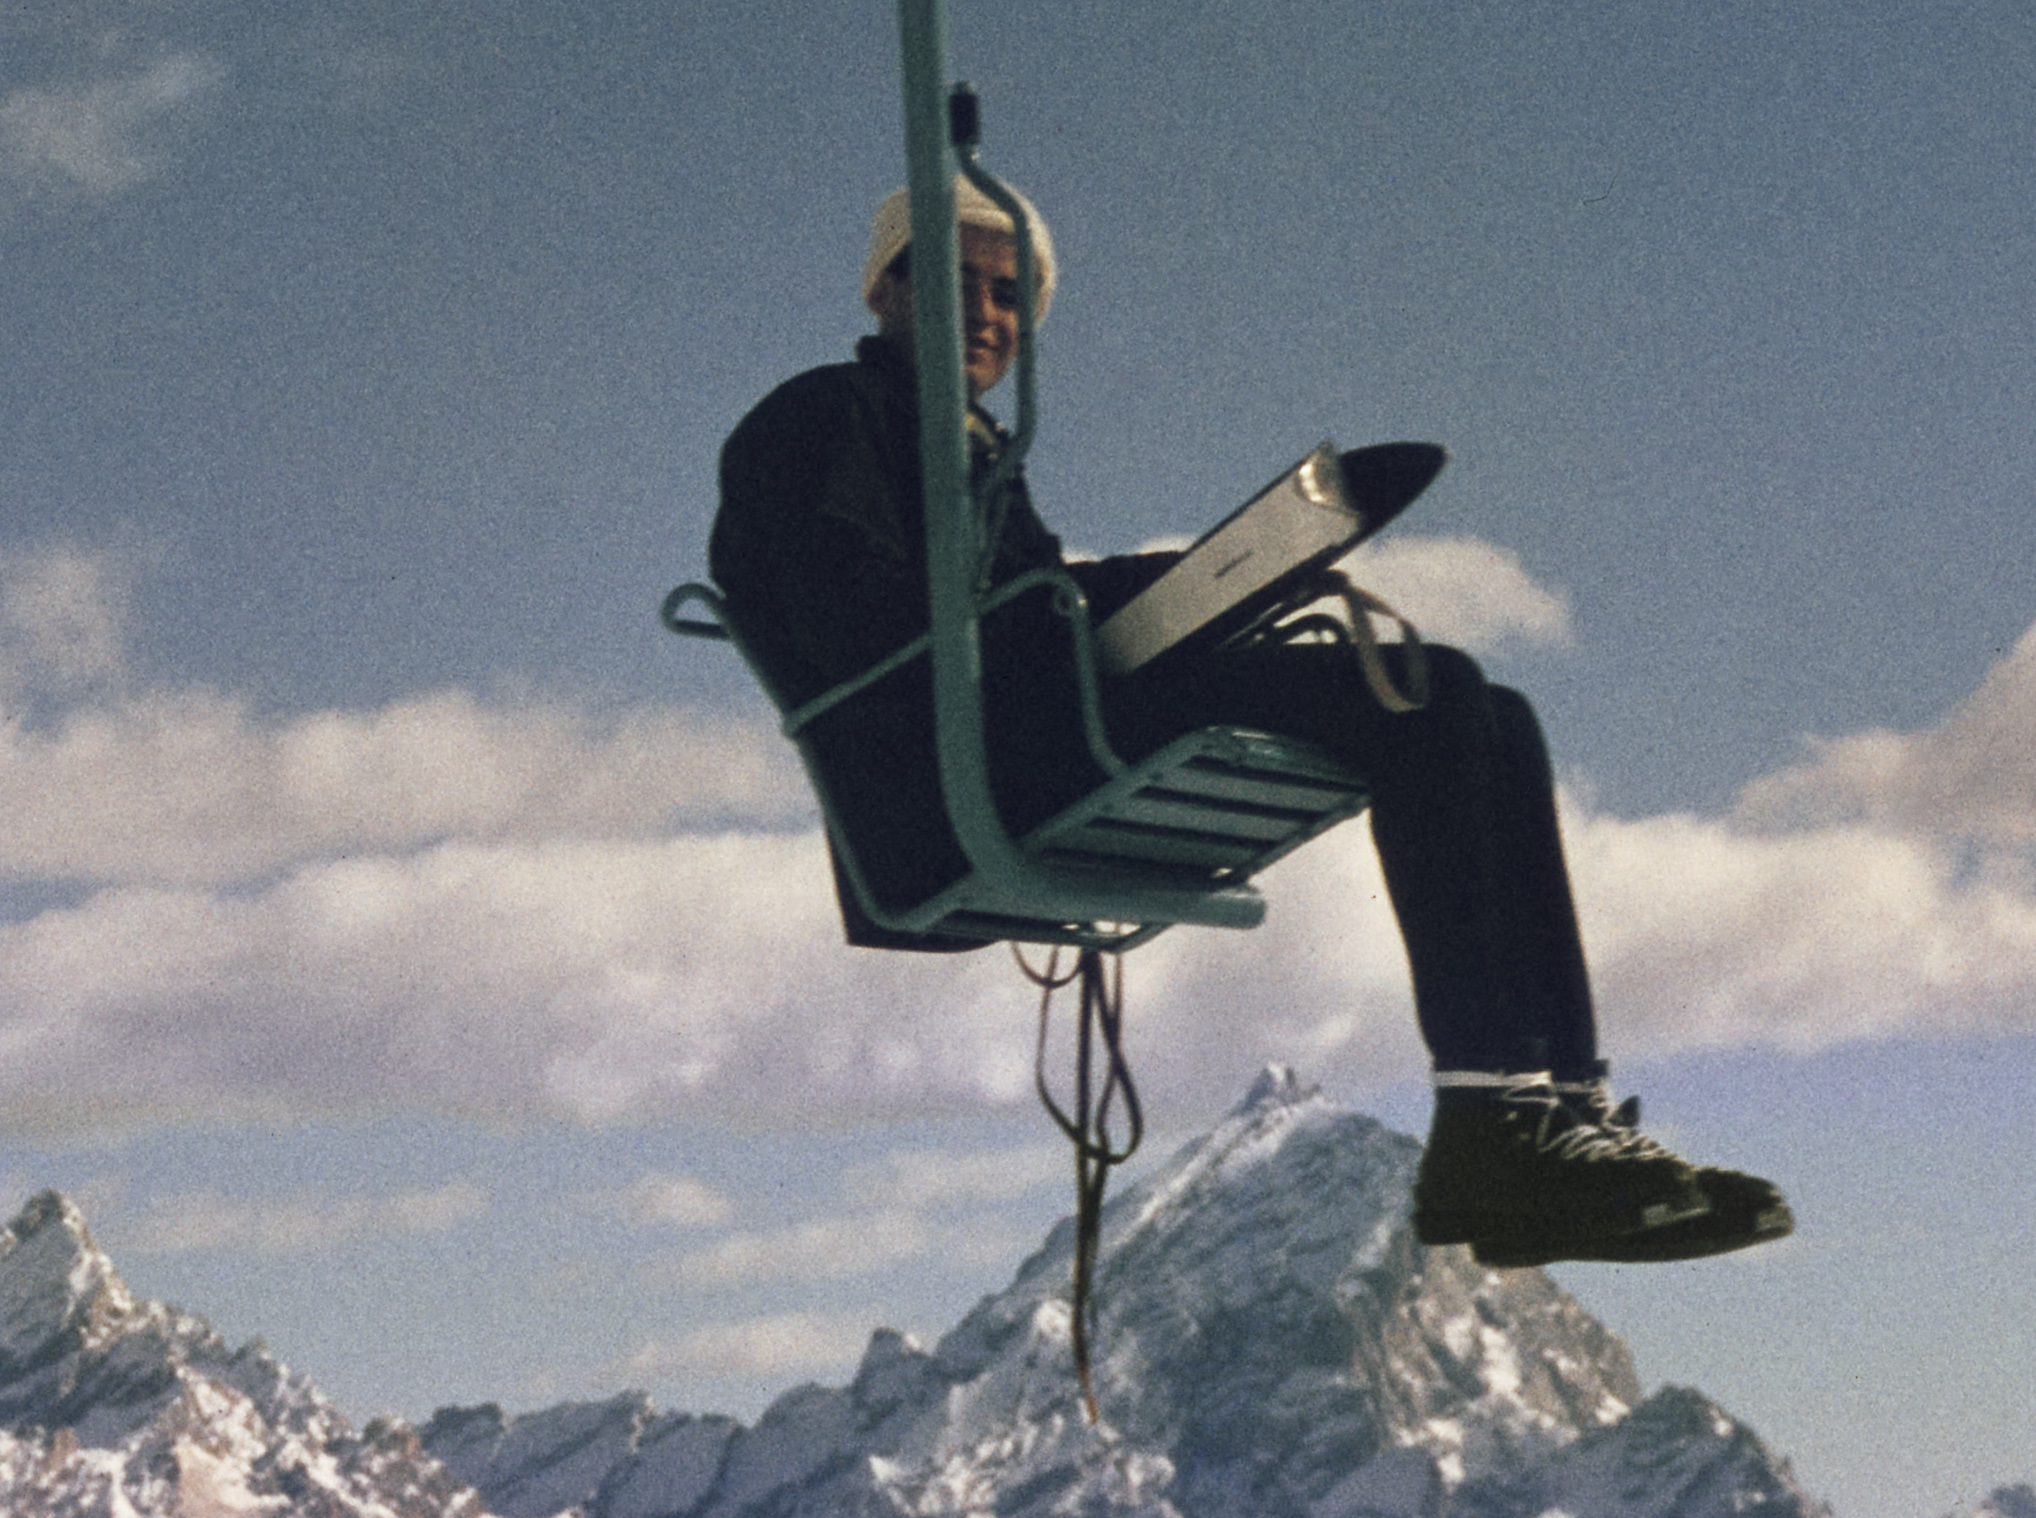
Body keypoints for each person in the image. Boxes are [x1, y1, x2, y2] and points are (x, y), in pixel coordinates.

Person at [708, 174, 1789, 1270]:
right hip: (963, 771)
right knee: (1418, 688)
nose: (984, 317)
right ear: (885, 292)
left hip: (1032, 728)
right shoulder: (821, 422)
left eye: (1006, 297)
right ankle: (1489, 1122)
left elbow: (1013, 605)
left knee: (1486, 712)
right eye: (954, 285)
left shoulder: (975, 454)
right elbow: (868, 619)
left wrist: (1188, 587)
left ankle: (1556, 1102)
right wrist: (1079, 610)